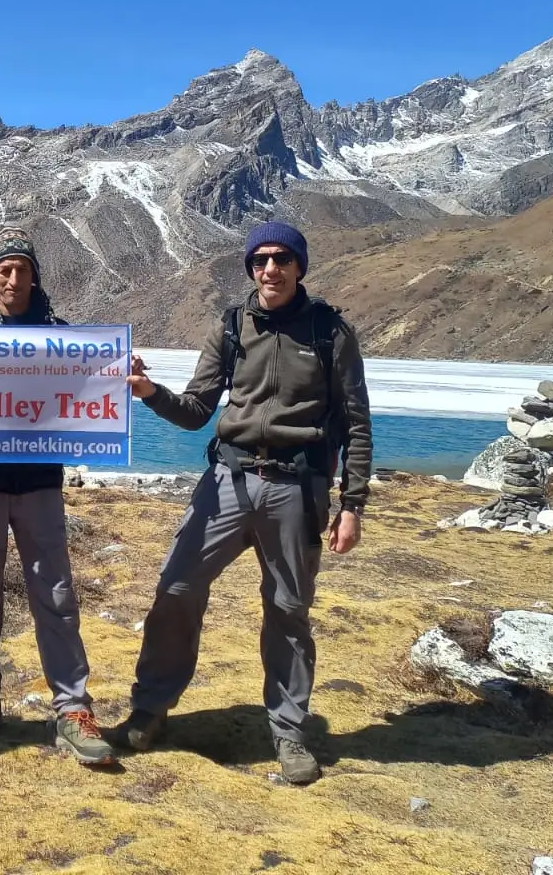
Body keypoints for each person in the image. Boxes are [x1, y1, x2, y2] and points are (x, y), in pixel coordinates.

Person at [118, 221, 371, 785]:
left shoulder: (330, 332)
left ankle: (287, 729)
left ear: (299, 266)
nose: (270, 269)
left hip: (296, 487)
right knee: (177, 586)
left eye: (282, 259)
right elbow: (195, 409)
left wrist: (352, 504)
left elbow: (356, 424)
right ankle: (150, 708)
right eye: (259, 260)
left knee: (287, 609)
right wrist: (150, 393)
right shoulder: (232, 326)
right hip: (227, 480)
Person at [0, 226, 115, 765]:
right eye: (4, 270)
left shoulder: (59, 335)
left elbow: (88, 389)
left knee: (55, 595)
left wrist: (117, 373)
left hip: (38, 482)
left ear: (35, 277)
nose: (13, 279)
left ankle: (73, 708)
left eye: (23, 269)